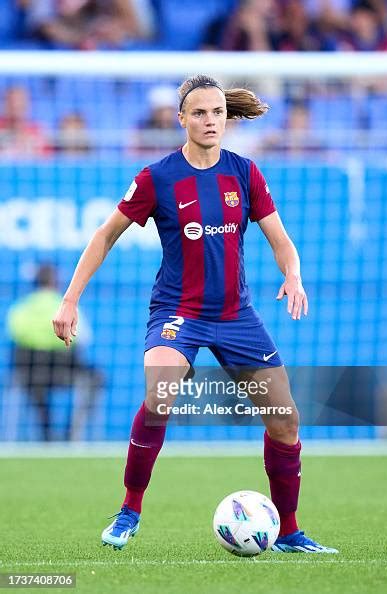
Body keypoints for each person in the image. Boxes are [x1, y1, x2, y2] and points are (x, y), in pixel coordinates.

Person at [53, 74, 338, 553]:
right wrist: (69, 299)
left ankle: (289, 532)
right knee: (161, 392)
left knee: (285, 420)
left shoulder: (244, 172)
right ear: (181, 119)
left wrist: (293, 275)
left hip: (235, 315)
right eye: (200, 113)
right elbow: (104, 235)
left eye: (218, 113)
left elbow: (281, 240)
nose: (210, 121)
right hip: (178, 311)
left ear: (227, 118)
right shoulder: (157, 177)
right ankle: (129, 511)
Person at [7, 264, 103, 441]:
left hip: (30, 376)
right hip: (64, 373)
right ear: (56, 282)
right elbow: (83, 338)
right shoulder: (66, 308)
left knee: (36, 386)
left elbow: (14, 335)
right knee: (96, 379)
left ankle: (46, 434)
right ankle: (72, 434)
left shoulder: (20, 310)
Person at [0, 86, 51, 159]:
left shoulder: (38, 132)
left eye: (20, 101)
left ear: (26, 105)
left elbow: (48, 160)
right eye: (11, 102)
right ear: (5, 104)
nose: (16, 105)